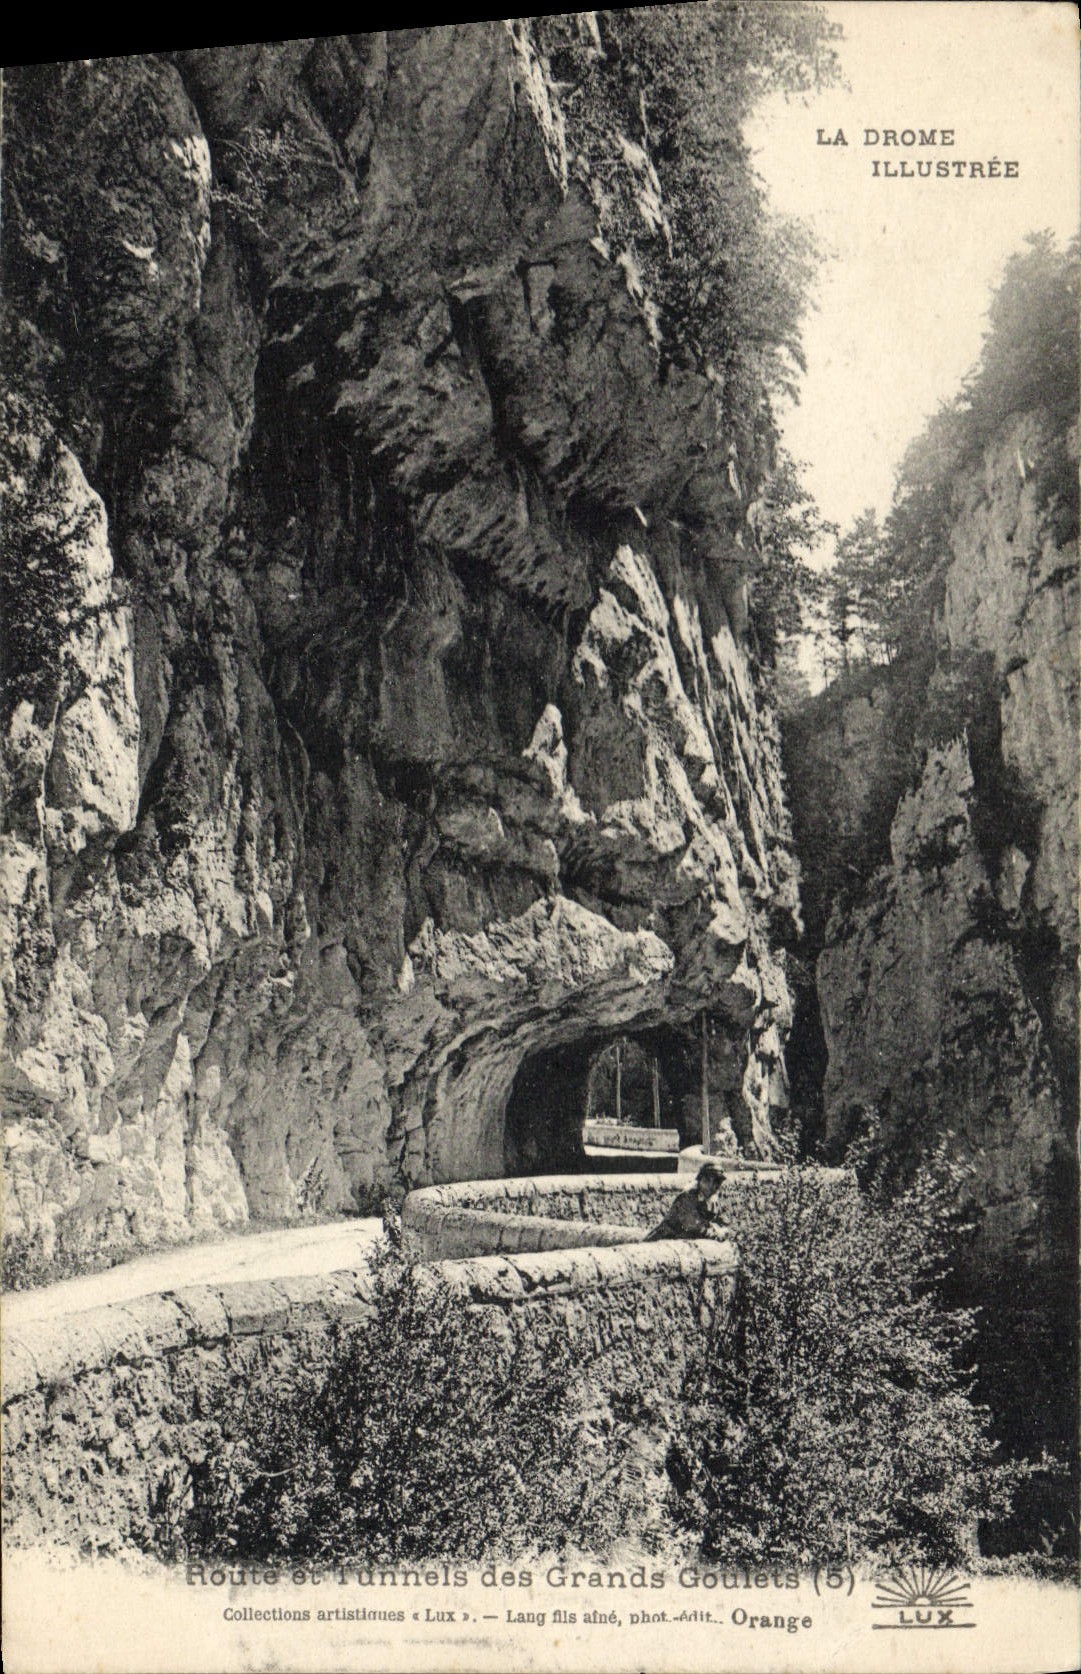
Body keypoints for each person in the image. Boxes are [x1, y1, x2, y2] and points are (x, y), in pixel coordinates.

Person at [644, 1163, 732, 1242]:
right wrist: (716, 1233)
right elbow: (694, 1226)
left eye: (718, 1183)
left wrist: (722, 1230)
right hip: (664, 1238)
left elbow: (723, 1221)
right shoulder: (687, 1198)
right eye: (714, 1182)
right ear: (702, 1181)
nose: (716, 1186)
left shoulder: (713, 1200)